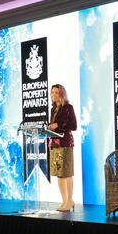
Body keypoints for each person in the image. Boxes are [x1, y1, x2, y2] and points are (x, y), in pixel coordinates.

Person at [47, 83, 78, 212]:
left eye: (56, 92)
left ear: (62, 94)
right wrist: (50, 127)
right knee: (59, 175)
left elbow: (74, 126)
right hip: (54, 144)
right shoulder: (53, 109)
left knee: (66, 173)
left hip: (65, 144)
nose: (53, 95)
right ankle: (64, 201)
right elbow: (54, 126)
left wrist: (58, 125)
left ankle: (70, 200)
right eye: (52, 92)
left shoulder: (68, 107)